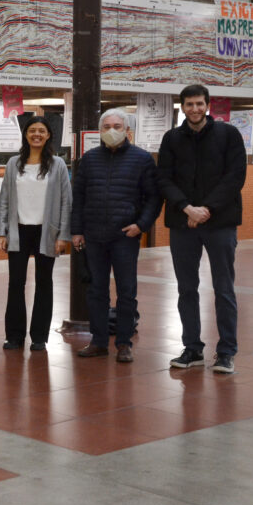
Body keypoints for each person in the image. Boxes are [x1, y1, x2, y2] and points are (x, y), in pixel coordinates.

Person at [158, 84, 246, 374]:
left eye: (199, 104)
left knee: (224, 288)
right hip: (183, 223)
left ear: (207, 105)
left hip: (220, 222)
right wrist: (187, 208)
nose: (194, 109)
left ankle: (226, 352)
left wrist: (205, 209)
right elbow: (164, 179)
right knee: (186, 289)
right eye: (189, 104)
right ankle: (192, 349)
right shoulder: (171, 138)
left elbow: (235, 177)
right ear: (181, 107)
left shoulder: (228, 134)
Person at [72, 109, 161, 362]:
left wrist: (141, 225)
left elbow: (153, 198)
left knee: (126, 291)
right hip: (94, 235)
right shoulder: (89, 159)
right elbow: (79, 197)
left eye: (117, 126)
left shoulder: (142, 159)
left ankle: (123, 343)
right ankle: (98, 341)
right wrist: (77, 230)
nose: (112, 130)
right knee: (96, 291)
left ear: (127, 130)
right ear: (100, 131)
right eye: (107, 126)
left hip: (125, 235)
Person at [0, 116, 72, 351]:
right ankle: (14, 336)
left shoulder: (58, 164)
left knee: (44, 283)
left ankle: (39, 337)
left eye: (41, 130)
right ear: (26, 135)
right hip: (18, 230)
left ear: (48, 135)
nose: (36, 134)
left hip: (46, 231)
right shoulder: (13, 163)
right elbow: (5, 200)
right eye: (32, 130)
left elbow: (66, 201)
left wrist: (63, 235)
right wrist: (2, 231)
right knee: (15, 283)